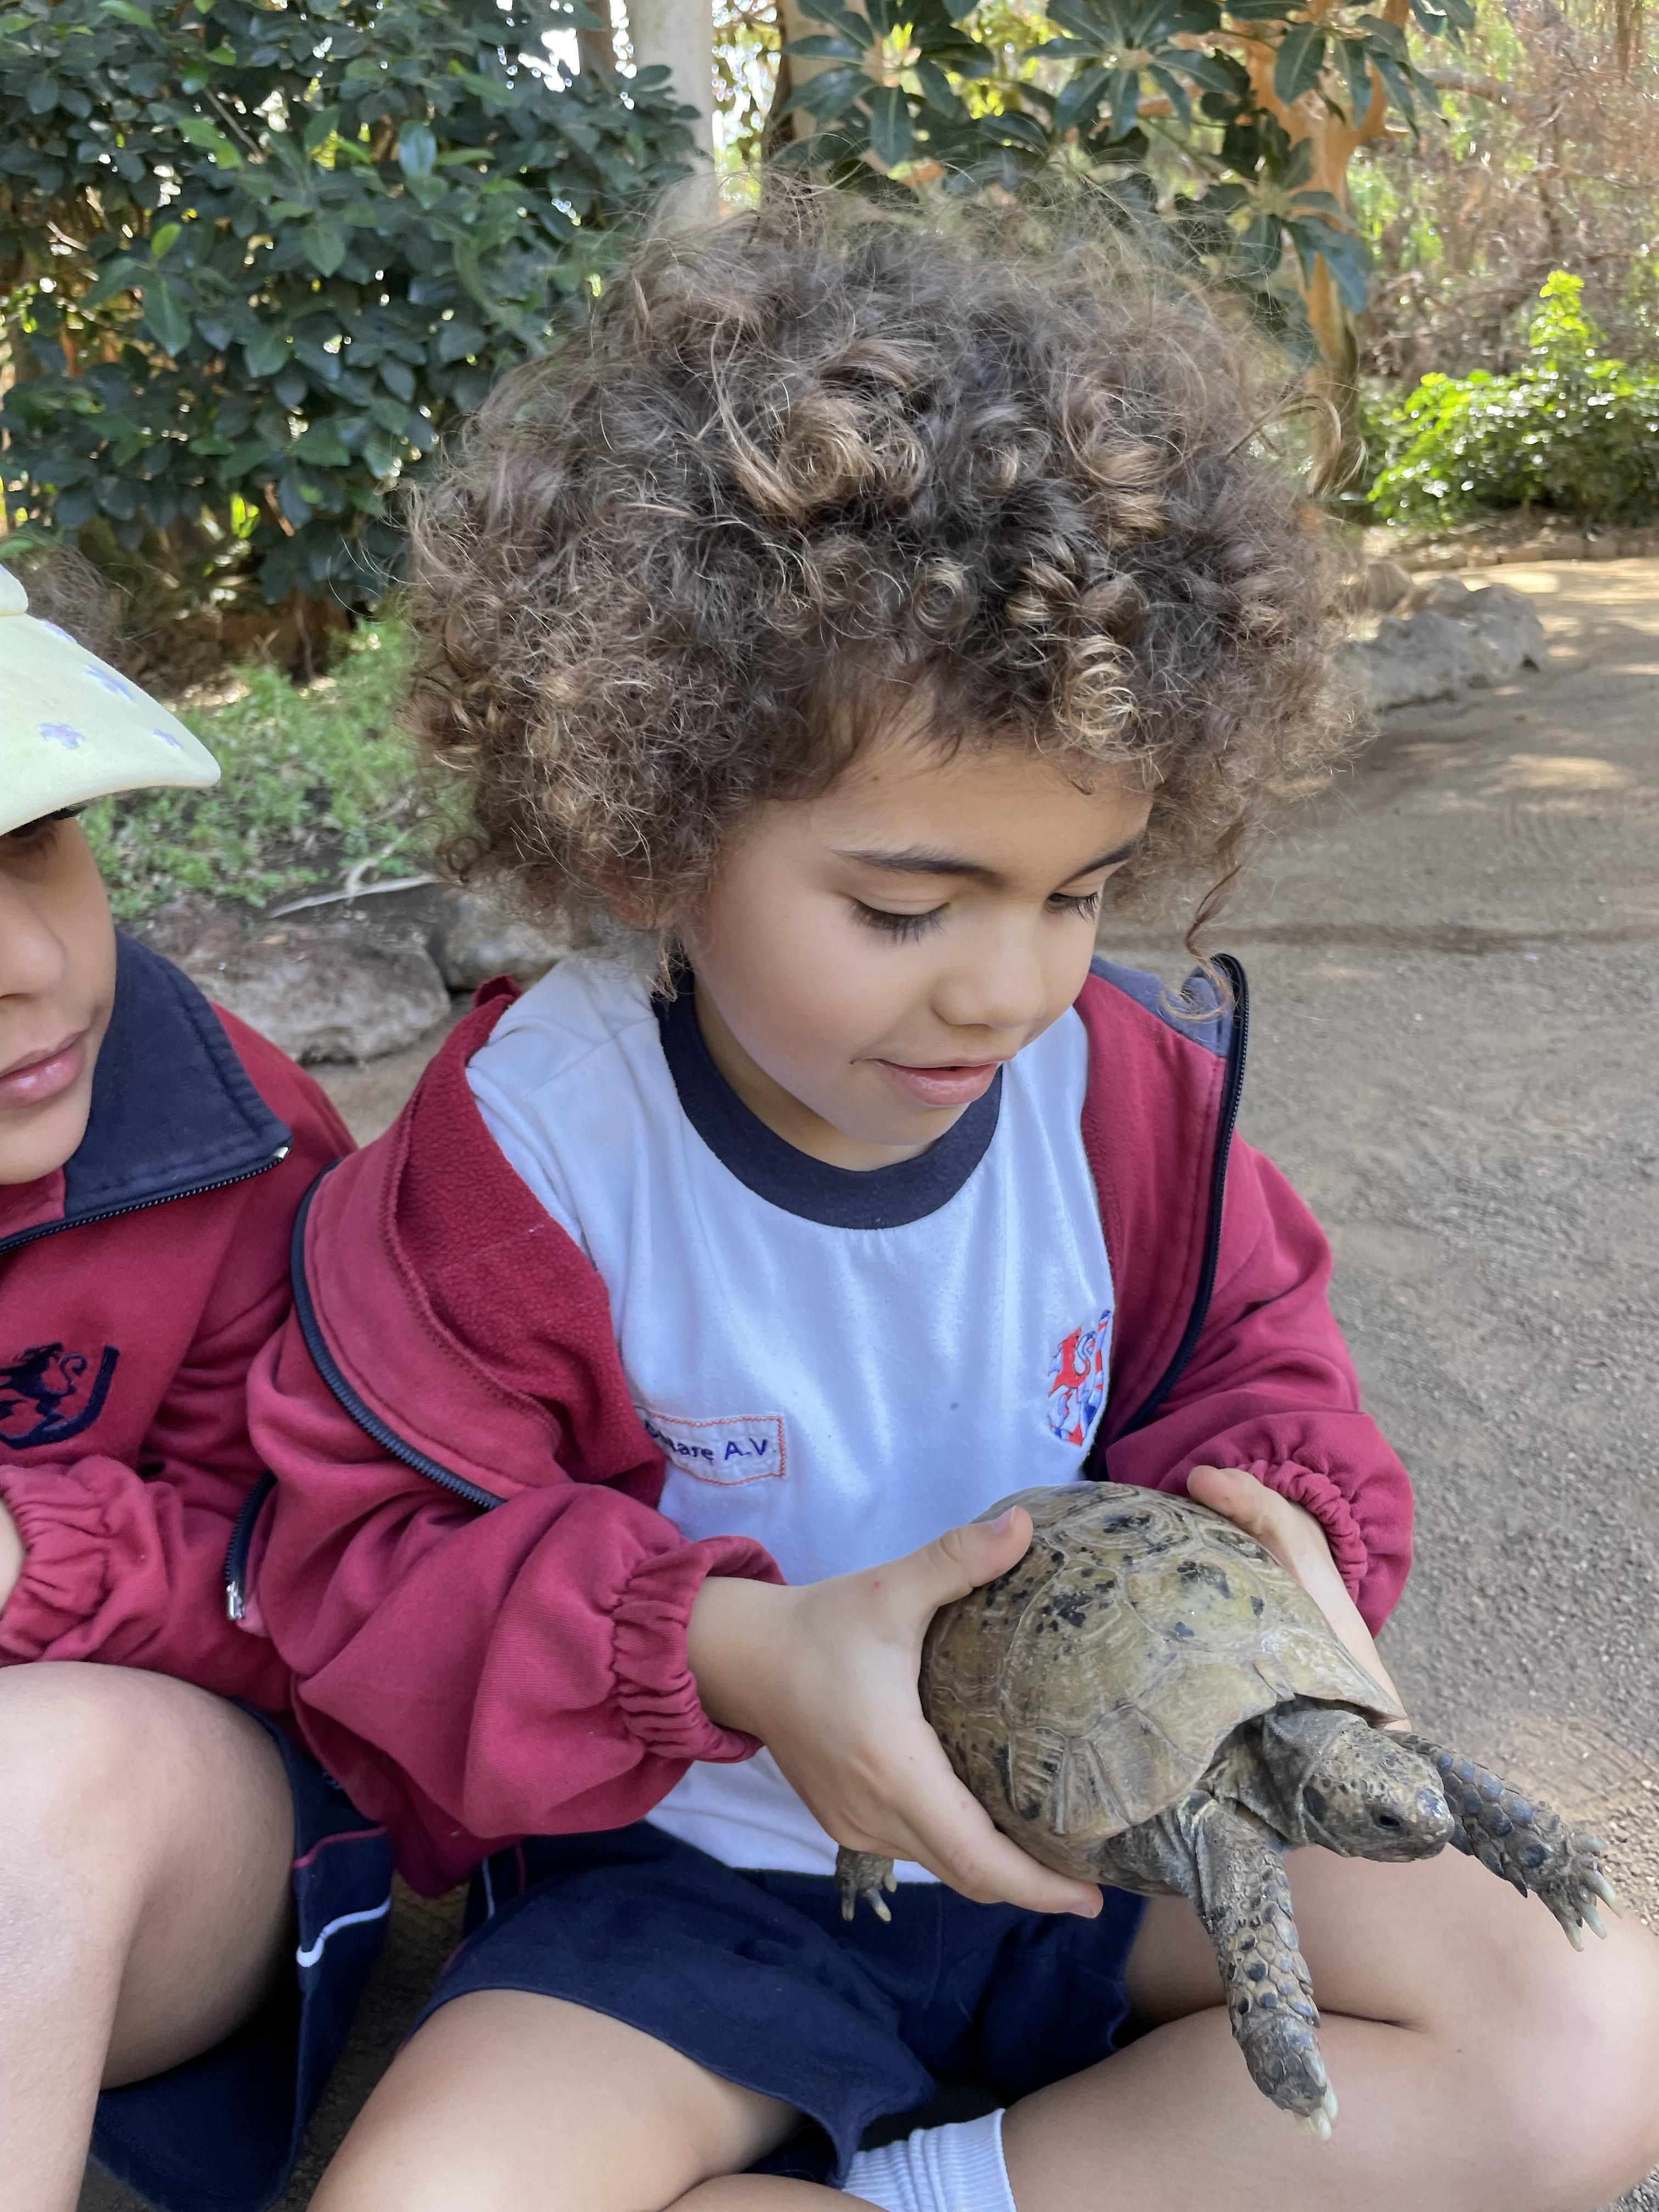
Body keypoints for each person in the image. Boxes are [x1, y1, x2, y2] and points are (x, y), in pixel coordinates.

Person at [249, 200, 1659, 2212]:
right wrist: (732, 1656)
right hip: (701, 1886)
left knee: (1588, 2038)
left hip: (1127, 1830)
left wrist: (1285, 1522)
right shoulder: (521, 1158)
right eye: (908, 908)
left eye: (1079, 891)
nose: (1011, 988)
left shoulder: (1122, 1096)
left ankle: (934, 2190)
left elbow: (1255, 1372)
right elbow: (369, 1573)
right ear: (651, 836)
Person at [0, 562, 392, 2212]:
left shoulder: (233, 1152)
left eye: (38, 841)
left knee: (35, 1784)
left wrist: (38, 1561)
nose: (29, 958)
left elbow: (334, 1604)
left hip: (149, 1841)